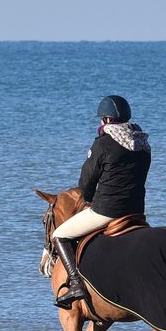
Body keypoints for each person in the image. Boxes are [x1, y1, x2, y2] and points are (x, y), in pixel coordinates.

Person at [50, 94, 151, 308]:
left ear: (105, 120)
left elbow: (86, 184)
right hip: (136, 212)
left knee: (59, 235)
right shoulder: (143, 145)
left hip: (107, 211)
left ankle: (76, 284)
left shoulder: (103, 144)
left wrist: (89, 199)